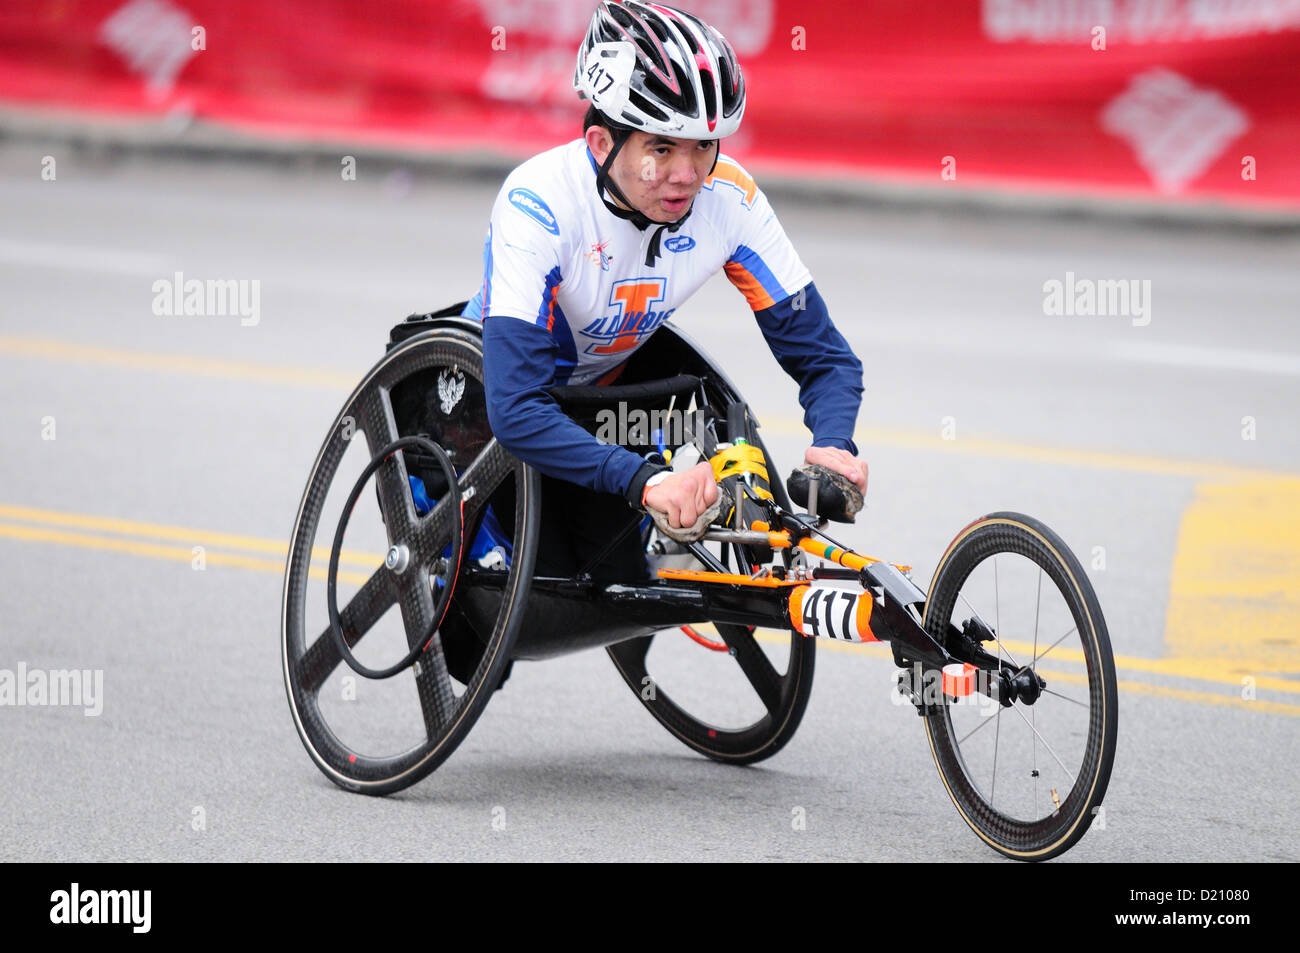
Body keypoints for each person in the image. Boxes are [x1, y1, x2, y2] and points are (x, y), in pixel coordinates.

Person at [464, 0, 867, 580]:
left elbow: (825, 356)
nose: (687, 175)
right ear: (602, 145)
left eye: (704, 146)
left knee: (622, 575)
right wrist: (645, 480)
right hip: (499, 400)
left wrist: (835, 443)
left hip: (606, 402)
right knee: (505, 613)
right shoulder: (540, 203)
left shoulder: (729, 199)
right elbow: (516, 410)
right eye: (661, 148)